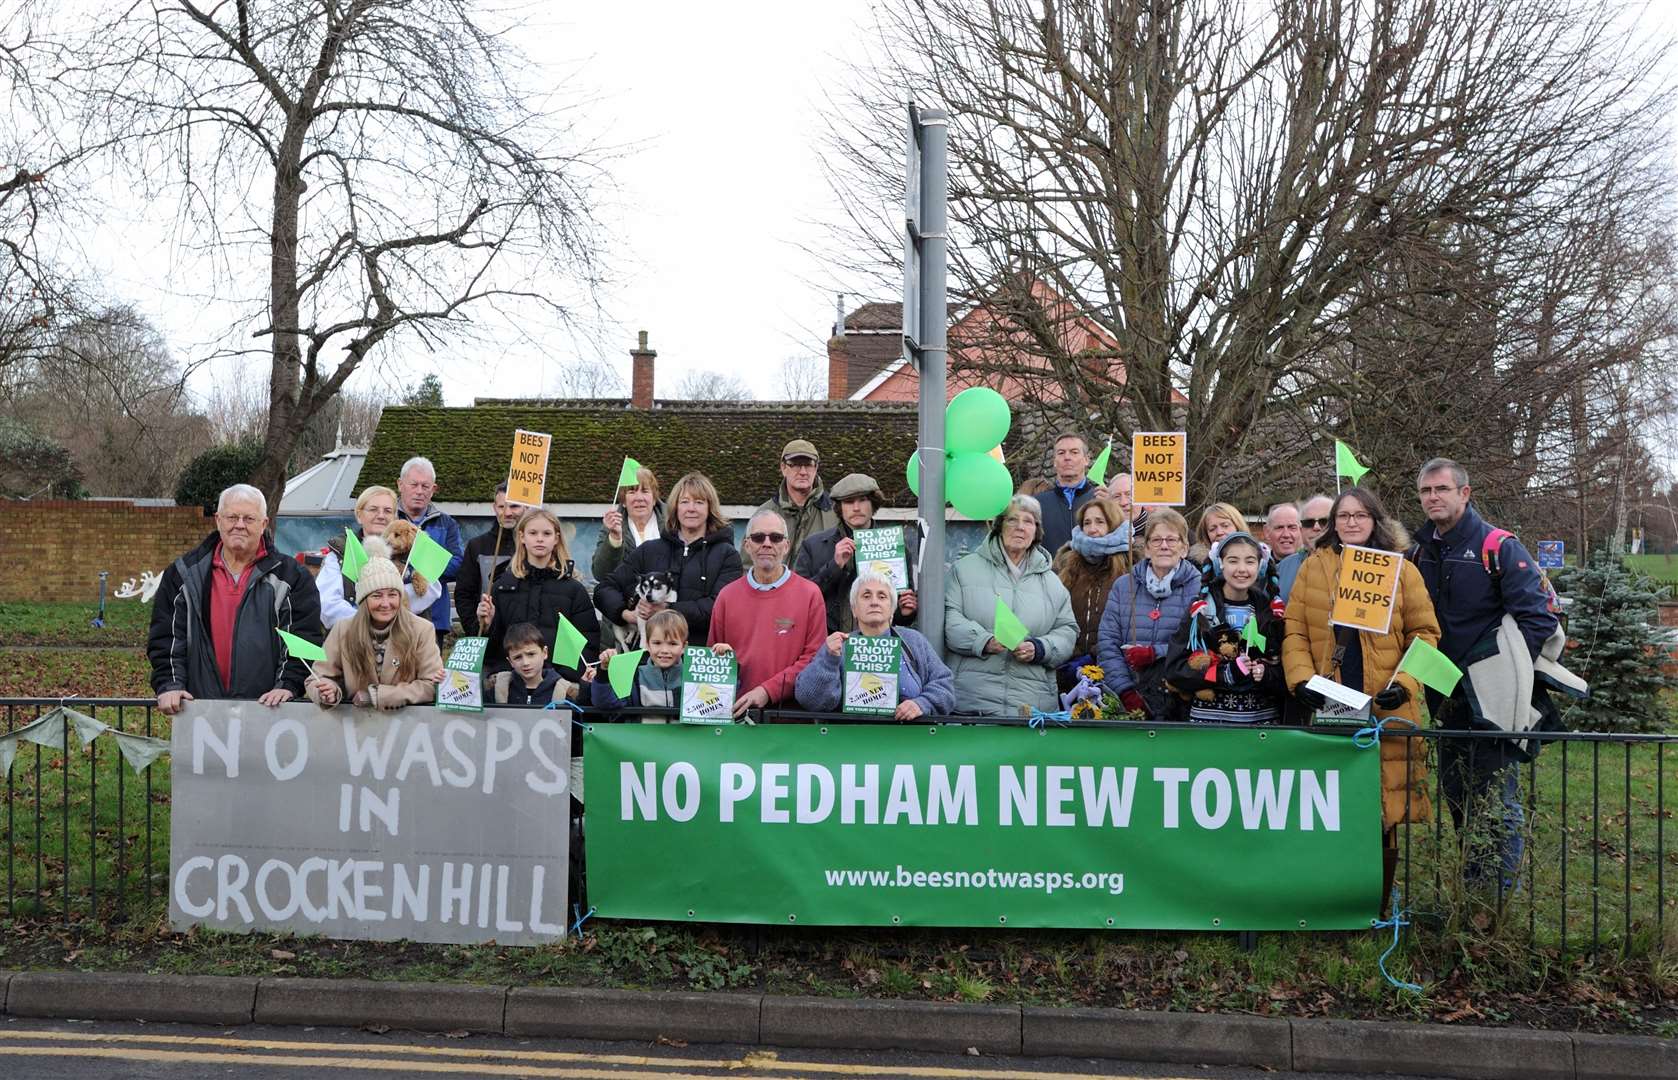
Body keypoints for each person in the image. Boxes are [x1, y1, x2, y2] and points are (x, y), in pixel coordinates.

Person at [1283, 486, 1440, 906]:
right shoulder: (1314, 567)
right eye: (1344, 515)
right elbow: (1295, 630)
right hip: (1333, 697)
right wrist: (1301, 681)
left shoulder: (1404, 571)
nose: (1351, 522)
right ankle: (1332, 896)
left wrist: (1405, 684)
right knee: (1333, 803)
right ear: (1333, 522)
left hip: (1386, 703)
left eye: (1361, 515)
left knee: (1383, 807)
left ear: (1376, 520)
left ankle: (1378, 900)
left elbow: (1426, 636)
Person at [1411, 458, 1559, 891]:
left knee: (1496, 796)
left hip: (1493, 696)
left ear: (1465, 493)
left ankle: (1496, 900)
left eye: (1441, 489)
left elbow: (1538, 620)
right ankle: (1472, 886)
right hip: (1445, 693)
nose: (1433, 498)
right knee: (1458, 793)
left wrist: (1502, 673)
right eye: (1425, 491)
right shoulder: (1420, 551)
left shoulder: (1499, 546)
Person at [149, 484, 324, 715]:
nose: (239, 525)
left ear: (264, 524)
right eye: (232, 517)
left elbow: (303, 637)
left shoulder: (292, 577)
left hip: (270, 709)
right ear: (218, 520)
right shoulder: (183, 573)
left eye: (249, 518)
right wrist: (170, 684)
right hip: (197, 708)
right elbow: (167, 637)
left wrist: (288, 685)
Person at [944, 495, 1079, 715]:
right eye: (1012, 520)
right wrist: (984, 640)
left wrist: (1039, 648)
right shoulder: (963, 570)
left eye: (1028, 521)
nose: (1020, 527)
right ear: (999, 526)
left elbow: (1067, 631)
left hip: (1031, 709)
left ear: (1037, 531)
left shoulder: (1052, 583)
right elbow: (949, 619)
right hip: (971, 702)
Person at [596, 471, 743, 644]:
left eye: (699, 502)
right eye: (684, 502)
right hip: (648, 661)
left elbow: (718, 608)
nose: (691, 508)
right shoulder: (649, 550)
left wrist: (666, 610)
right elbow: (604, 589)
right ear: (675, 507)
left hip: (698, 657)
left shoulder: (727, 555)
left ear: (710, 508)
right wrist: (627, 614)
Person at [709, 510, 826, 718]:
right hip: (737, 715)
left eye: (776, 537)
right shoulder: (727, 596)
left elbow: (814, 658)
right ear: (746, 545)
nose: (766, 543)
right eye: (758, 537)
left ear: (786, 545)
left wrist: (767, 691)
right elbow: (713, 659)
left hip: (793, 716)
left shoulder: (810, 594)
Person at [795, 571, 956, 719]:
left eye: (882, 596)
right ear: (854, 609)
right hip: (852, 743)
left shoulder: (914, 641)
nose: (874, 602)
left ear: (892, 609)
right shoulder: (838, 646)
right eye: (866, 596)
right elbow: (809, 699)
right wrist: (828, 660)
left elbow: (945, 688)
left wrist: (922, 704)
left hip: (909, 742)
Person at [1163, 532, 1287, 724]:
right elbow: (1175, 670)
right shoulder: (1201, 610)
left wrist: (1265, 674)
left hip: (1261, 724)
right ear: (1220, 563)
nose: (1242, 569)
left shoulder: (1269, 610)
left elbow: (1284, 669)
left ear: (1260, 566)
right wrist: (1224, 674)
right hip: (1209, 723)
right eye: (1233, 561)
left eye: (1250, 561)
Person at [304, 542, 444, 710]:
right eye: (377, 596)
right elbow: (317, 677)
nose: (386, 604)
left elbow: (431, 685)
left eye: (392, 595)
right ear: (364, 600)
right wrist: (328, 691)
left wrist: (379, 695)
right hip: (354, 729)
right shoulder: (343, 629)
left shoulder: (422, 629)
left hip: (406, 727)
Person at [477, 508, 598, 696]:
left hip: (559, 686)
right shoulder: (503, 587)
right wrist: (487, 626)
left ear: (556, 538)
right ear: (522, 537)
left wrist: (562, 678)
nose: (540, 539)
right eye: (533, 533)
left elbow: (587, 644)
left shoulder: (573, 589)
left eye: (546, 533)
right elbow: (491, 650)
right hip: (510, 686)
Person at [1095, 509, 1201, 719]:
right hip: (1127, 700)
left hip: (1180, 701)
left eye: (1172, 539)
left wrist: (1155, 653)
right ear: (1146, 549)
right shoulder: (1124, 586)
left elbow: (1199, 644)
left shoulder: (1200, 587)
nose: (1164, 546)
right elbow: (1107, 643)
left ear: (1184, 548)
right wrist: (1125, 691)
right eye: (1156, 540)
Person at [793, 473, 920, 633]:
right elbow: (799, 600)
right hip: (827, 643)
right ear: (839, 507)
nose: (856, 508)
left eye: (862, 500)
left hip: (875, 646)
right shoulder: (813, 545)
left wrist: (906, 612)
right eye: (848, 501)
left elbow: (899, 614)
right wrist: (834, 566)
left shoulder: (895, 547)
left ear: (873, 503)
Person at [319, 485, 440, 629]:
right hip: (353, 638)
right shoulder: (341, 550)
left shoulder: (415, 546)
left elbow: (432, 589)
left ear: (395, 516)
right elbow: (327, 603)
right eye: (373, 509)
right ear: (359, 515)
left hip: (404, 637)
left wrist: (387, 608)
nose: (381, 515)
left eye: (388, 511)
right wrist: (368, 623)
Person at [1052, 496, 1131, 686]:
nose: (1092, 529)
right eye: (1087, 523)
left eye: (1100, 522)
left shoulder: (1131, 563)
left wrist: (1097, 655)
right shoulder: (1066, 563)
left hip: (1114, 667)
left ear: (1113, 525)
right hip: (1069, 666)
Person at [396, 456, 465, 648]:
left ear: (433, 490)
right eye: (413, 484)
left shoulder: (447, 524)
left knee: (429, 675)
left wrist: (413, 564)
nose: (419, 491)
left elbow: (458, 564)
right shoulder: (387, 518)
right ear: (400, 485)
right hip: (389, 614)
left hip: (434, 617)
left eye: (425, 486)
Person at [456, 483, 522, 636]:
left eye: (514, 506)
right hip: (488, 638)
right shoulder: (477, 546)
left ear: (526, 507)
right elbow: (464, 594)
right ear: (494, 507)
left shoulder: (533, 546)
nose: (507, 513)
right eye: (502, 507)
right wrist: (476, 629)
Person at [593, 610, 688, 716]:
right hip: (641, 732)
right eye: (657, 643)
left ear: (684, 647)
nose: (664, 650)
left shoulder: (693, 678)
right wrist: (604, 670)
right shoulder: (634, 675)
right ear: (647, 644)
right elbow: (606, 703)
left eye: (672, 644)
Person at [756, 438, 839, 556]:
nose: (803, 472)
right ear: (783, 468)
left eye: (808, 465)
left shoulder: (837, 513)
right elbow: (749, 565)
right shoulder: (763, 514)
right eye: (796, 465)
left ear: (816, 468)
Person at [1033, 431, 1101, 555]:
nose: (1067, 457)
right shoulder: (1037, 504)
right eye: (1061, 453)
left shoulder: (1100, 500)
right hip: (1051, 573)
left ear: (1086, 460)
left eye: (1074, 452)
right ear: (1054, 461)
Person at [593, 466, 663, 584]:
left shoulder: (673, 522)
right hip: (626, 592)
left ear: (654, 498)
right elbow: (601, 574)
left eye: (645, 491)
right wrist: (615, 538)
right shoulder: (613, 524)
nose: (639, 498)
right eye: (632, 492)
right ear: (624, 501)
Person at [488, 622, 567, 707]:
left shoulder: (562, 690)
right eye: (518, 657)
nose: (525, 663)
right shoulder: (498, 689)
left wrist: (584, 688)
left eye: (531, 654)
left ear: (544, 653)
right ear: (510, 661)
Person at [1276, 494, 1333, 602]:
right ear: (1301, 529)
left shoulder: (1349, 564)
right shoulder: (1282, 568)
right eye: (1309, 523)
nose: (1316, 527)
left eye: (1324, 521)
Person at [1189, 502, 1245, 569]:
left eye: (1225, 526)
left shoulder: (1258, 560)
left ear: (1238, 526)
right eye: (1212, 529)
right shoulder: (1194, 567)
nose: (1219, 532)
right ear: (1206, 535)